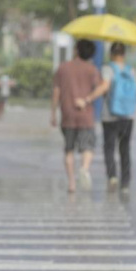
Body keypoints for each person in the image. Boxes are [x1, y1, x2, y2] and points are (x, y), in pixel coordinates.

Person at [78, 42, 136, 193]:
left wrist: (88, 99)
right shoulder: (132, 72)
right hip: (128, 116)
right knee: (125, 150)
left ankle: (112, 176)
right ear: (124, 55)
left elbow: (104, 87)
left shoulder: (107, 69)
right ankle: (125, 183)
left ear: (111, 54)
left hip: (109, 116)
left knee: (109, 148)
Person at [51, 39, 101, 193]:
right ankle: (84, 168)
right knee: (88, 147)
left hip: (67, 115)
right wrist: (87, 99)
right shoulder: (92, 70)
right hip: (85, 115)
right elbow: (100, 89)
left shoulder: (63, 68)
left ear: (76, 50)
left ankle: (71, 183)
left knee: (69, 150)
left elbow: (56, 92)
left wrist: (53, 113)